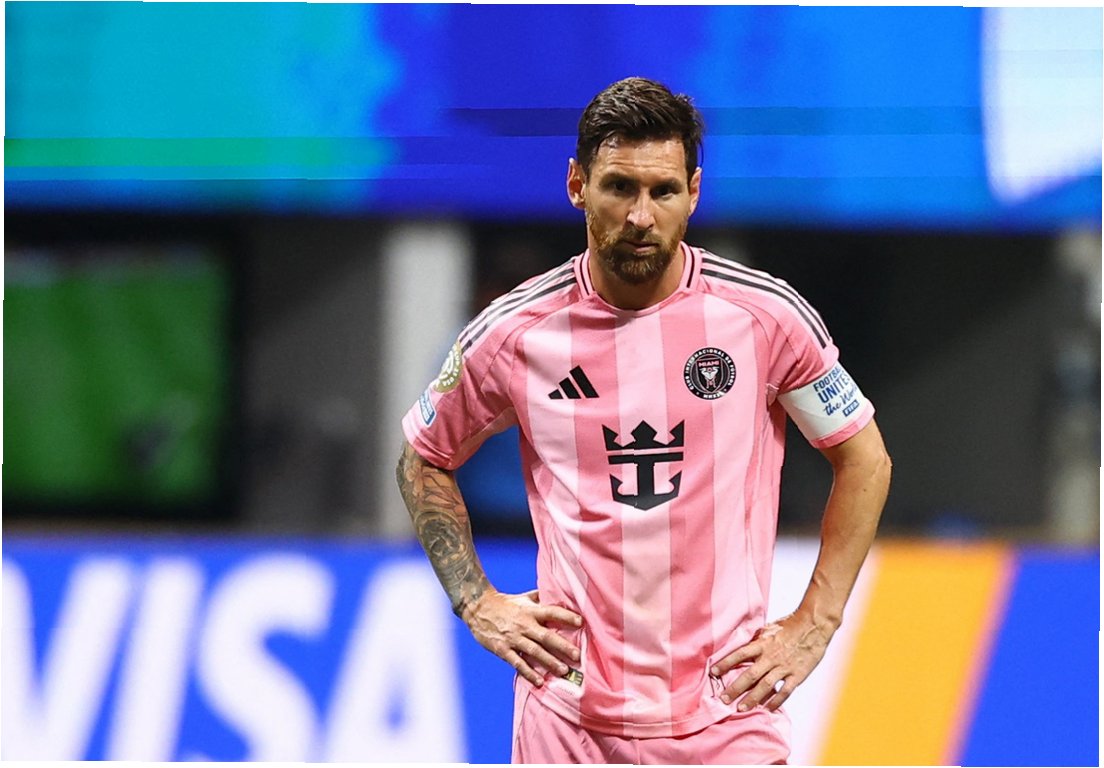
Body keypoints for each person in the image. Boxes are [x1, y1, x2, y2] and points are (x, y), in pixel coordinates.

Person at [396, 76, 891, 765]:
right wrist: (477, 602)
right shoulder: (514, 333)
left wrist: (817, 620)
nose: (640, 215)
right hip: (569, 720)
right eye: (619, 187)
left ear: (694, 191)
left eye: (663, 191)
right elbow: (423, 456)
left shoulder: (765, 317)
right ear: (577, 185)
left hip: (727, 712)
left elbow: (864, 457)